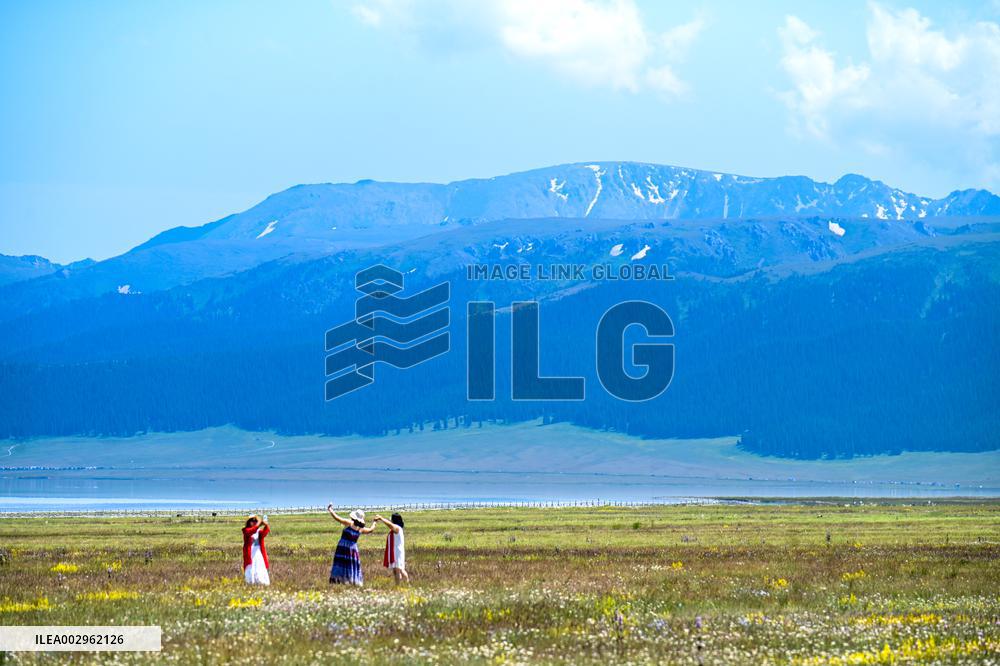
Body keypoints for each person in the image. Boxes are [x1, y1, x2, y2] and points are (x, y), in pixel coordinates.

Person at [327, 503, 378, 586]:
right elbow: (370, 530)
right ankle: (352, 581)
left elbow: (337, 518)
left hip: (342, 547)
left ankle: (339, 580)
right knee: (351, 564)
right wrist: (374, 522)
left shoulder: (349, 523)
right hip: (353, 549)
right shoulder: (361, 529)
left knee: (341, 563)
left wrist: (330, 509)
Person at [375, 512, 409, 584]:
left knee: (399, 570)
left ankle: (404, 584)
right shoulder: (396, 528)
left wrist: (381, 518)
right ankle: (399, 585)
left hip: (397, 552)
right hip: (395, 551)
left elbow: (390, 525)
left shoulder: (397, 528)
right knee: (396, 570)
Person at [241, 514, 270, 586]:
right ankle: (251, 582)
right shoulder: (246, 530)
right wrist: (258, 524)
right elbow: (251, 531)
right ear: (248, 522)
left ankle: (261, 582)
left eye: (255, 521)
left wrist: (266, 525)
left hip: (258, 553)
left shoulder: (258, 531)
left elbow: (264, 533)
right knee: (251, 567)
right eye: (252, 521)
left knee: (259, 566)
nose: (254, 522)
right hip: (250, 553)